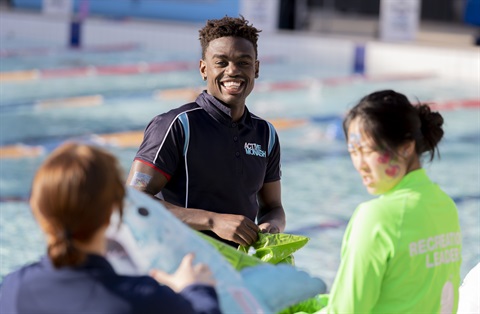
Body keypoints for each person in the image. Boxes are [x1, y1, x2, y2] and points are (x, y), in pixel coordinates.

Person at [0, 143, 221, 314]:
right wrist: (196, 288)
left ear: (38, 211)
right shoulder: (143, 300)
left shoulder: (13, 288)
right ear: (112, 212)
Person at [126, 16, 286, 247]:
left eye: (243, 62)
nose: (233, 71)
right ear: (204, 69)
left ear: (256, 68)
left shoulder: (265, 134)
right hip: (181, 267)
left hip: (234, 268)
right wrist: (212, 221)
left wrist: (271, 226)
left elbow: (274, 208)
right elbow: (132, 201)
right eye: (221, 63)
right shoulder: (177, 125)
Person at [322, 90, 462, 313]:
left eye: (367, 151)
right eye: (353, 151)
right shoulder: (445, 206)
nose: (360, 164)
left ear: (406, 147)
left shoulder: (376, 217)